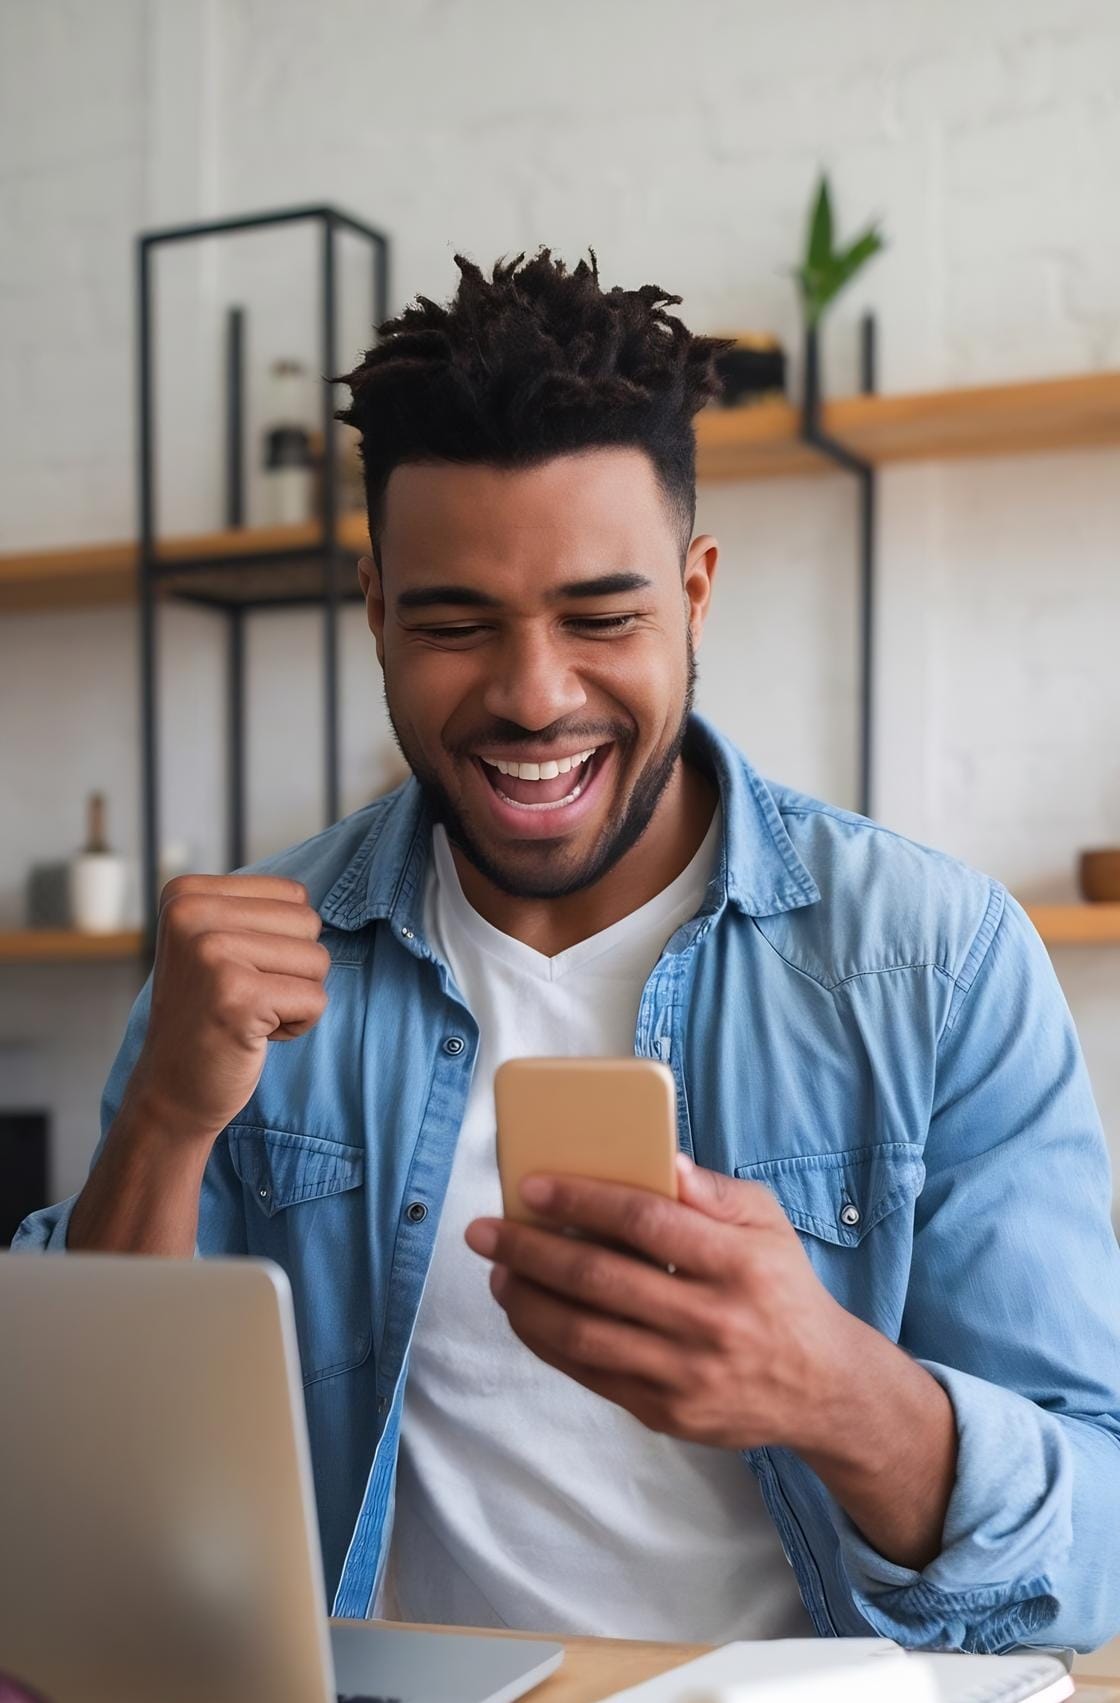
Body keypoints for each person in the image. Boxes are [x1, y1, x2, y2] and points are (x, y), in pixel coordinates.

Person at [16, 250, 1120, 1654]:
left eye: (602, 617)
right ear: (374, 608)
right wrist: (168, 1119)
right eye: (454, 622)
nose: (535, 696)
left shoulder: (936, 962)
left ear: (699, 590)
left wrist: (835, 1390)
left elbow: (1102, 1546)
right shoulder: (247, 970)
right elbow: (89, 1519)